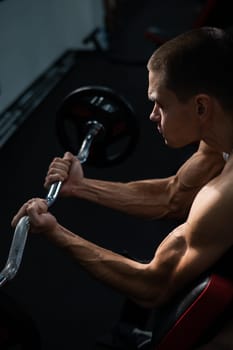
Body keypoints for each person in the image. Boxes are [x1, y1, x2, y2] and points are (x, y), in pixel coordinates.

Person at [11, 27, 233, 348]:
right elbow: (172, 197)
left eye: (161, 104)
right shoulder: (220, 135)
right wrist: (81, 186)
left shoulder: (226, 194)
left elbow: (155, 285)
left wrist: (54, 232)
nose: (152, 115)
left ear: (201, 107)